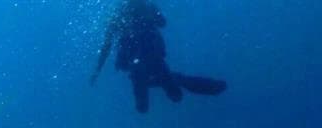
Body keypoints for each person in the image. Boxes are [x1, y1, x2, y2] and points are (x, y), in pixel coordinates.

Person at [90, 0, 227, 113]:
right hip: (134, 62)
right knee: (142, 108)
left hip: (152, 56)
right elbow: (106, 46)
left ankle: (171, 79)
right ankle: (155, 80)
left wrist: (151, 14)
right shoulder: (118, 16)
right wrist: (98, 69)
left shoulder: (147, 7)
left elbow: (162, 23)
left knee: (176, 96)